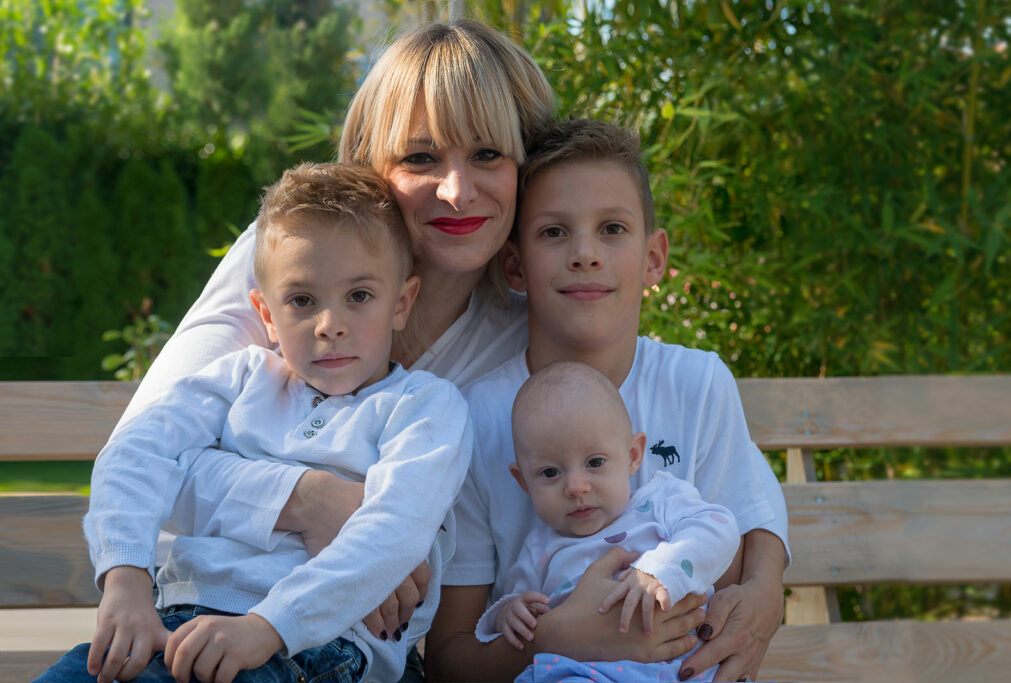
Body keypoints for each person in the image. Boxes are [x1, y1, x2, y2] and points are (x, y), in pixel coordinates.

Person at [96, 19, 787, 682]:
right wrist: (313, 501)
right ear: (372, 162)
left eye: (487, 154)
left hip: (351, 652)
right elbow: (149, 448)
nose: (457, 191)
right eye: (420, 157)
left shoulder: (529, 314)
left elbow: (716, 461)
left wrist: (764, 586)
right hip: (207, 609)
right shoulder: (299, 258)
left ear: (523, 169)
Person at [36, 163, 473, 683]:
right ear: (266, 315)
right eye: (302, 300)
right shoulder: (241, 379)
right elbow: (137, 449)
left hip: (317, 647)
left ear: (401, 303)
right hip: (180, 618)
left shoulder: (424, 408)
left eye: (359, 296)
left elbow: (394, 533)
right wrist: (127, 582)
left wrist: (267, 627)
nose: (330, 325)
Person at [433, 118, 790, 682]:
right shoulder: (477, 416)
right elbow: (447, 661)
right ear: (515, 265)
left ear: (654, 258)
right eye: (554, 232)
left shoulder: (696, 385)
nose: (585, 254)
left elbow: (720, 591)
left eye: (613, 229)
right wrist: (550, 640)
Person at [478, 361, 741, 683]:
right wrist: (508, 612)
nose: (576, 487)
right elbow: (523, 613)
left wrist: (659, 570)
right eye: (550, 472)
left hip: (682, 667)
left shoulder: (661, 501)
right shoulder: (538, 549)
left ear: (633, 456)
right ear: (524, 482)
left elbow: (719, 526)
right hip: (586, 674)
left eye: (595, 462)